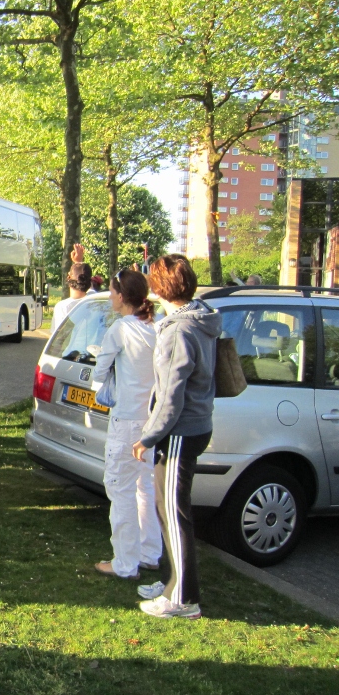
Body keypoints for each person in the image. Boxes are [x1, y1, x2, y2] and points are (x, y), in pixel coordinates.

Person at [133, 254, 220, 620]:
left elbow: (171, 396)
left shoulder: (180, 330)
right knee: (170, 510)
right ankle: (173, 583)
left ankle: (183, 599)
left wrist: (147, 437)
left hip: (181, 431)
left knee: (173, 513)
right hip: (193, 426)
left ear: (160, 287)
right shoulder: (198, 319)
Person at [91, 270, 162, 580]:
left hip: (126, 420)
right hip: (152, 421)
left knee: (119, 488)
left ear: (122, 296)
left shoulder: (120, 329)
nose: (109, 296)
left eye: (111, 292)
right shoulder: (156, 327)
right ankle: (149, 552)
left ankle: (124, 562)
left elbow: (99, 373)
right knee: (144, 486)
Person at [51, 245, 93, 333]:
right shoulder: (96, 300)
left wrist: (77, 263)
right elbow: (82, 275)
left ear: (68, 278)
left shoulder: (63, 307)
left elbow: (57, 339)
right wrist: (78, 263)